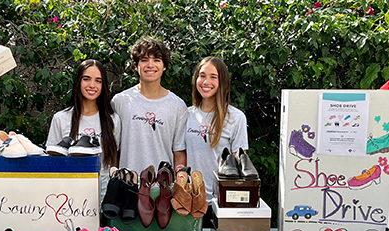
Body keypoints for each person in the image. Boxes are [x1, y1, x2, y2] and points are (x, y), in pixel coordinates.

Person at [111, 37, 187, 174]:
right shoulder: (120, 101)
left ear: (164, 66)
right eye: (144, 60)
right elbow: (113, 150)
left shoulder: (177, 106)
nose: (150, 65)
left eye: (156, 60)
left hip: (163, 188)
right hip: (127, 186)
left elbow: (179, 151)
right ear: (136, 66)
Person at [46, 59, 120, 197]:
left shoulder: (113, 120)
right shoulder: (61, 118)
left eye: (98, 80)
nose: (92, 85)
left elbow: (113, 158)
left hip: (103, 195)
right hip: (68, 194)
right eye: (86, 79)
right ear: (78, 81)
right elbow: (52, 160)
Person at [185, 56, 249, 201]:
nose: (206, 82)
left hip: (220, 201)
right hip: (190, 200)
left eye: (213, 77)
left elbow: (239, 164)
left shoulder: (236, 117)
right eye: (202, 76)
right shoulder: (186, 115)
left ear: (222, 82)